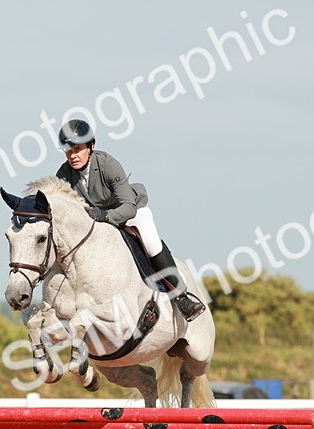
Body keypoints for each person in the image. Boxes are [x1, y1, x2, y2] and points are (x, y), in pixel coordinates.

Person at [55, 118, 206, 321]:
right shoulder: (63, 174)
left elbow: (128, 207)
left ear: (91, 146)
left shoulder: (108, 164)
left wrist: (105, 216)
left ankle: (182, 297)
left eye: (77, 149)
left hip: (128, 212)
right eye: (68, 151)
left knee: (151, 242)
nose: (72, 156)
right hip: (97, 221)